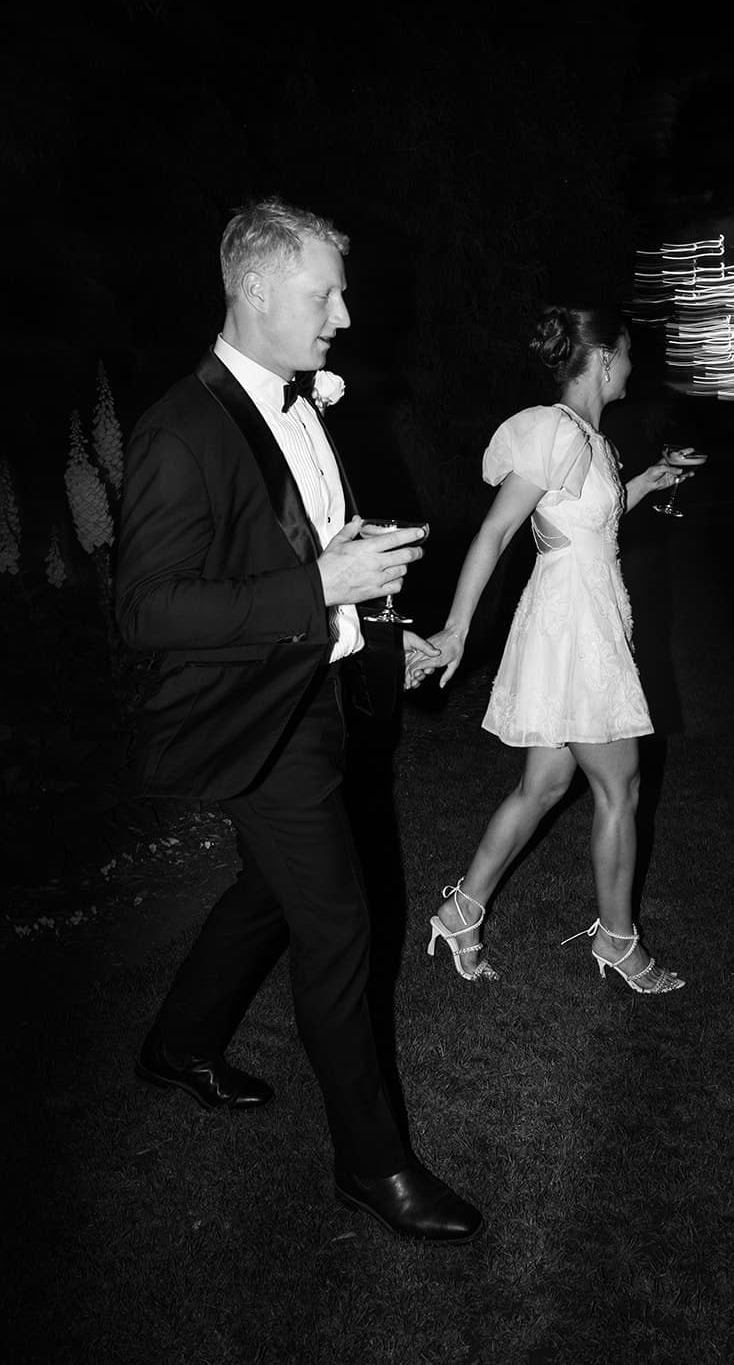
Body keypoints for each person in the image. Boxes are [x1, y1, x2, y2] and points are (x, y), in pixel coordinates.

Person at [115, 198, 482, 1244]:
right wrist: (323, 583)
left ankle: (179, 1044)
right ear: (258, 290)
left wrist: (371, 625)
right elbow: (146, 610)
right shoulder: (179, 430)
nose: (346, 315)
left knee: (269, 897)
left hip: (321, 692)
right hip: (254, 724)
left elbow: (309, 545)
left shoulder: (301, 403)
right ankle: (375, 1167)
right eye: (326, 292)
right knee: (338, 926)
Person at [422, 305, 688, 993]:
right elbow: (494, 532)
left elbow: (585, 522)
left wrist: (647, 482)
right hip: (572, 628)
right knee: (620, 784)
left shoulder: (589, 441)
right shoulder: (558, 432)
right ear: (603, 360)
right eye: (626, 353)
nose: (632, 365)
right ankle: (617, 940)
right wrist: (455, 627)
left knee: (544, 785)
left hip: (583, 617)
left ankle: (461, 910)